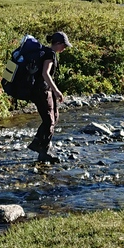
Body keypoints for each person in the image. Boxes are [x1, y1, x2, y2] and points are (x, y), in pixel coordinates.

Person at [27, 31, 71, 163]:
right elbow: (45, 73)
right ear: (57, 43)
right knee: (49, 120)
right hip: (42, 91)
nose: (64, 48)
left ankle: (38, 143)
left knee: (55, 116)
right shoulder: (49, 54)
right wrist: (56, 91)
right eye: (63, 45)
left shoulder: (46, 52)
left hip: (45, 90)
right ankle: (43, 150)